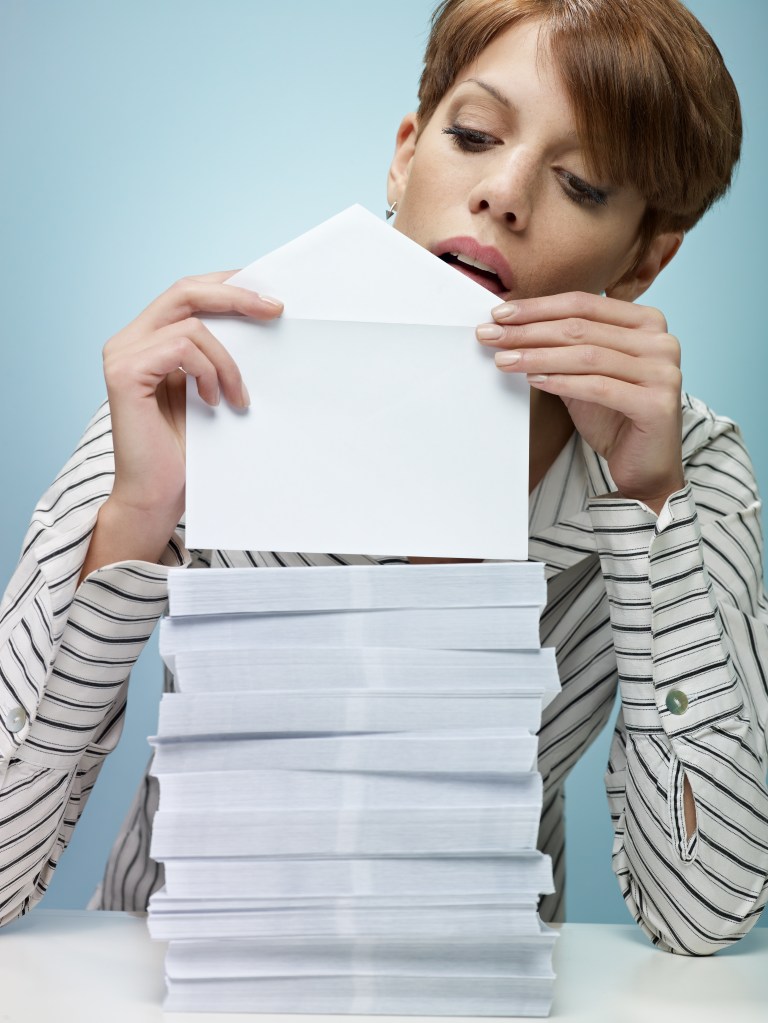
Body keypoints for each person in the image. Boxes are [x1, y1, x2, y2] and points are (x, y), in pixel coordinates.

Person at [1, 0, 766, 956]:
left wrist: (651, 506)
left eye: (581, 183)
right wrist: (134, 518)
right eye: (475, 135)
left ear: (648, 255)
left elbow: (706, 916)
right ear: (406, 153)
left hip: (480, 981)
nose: (504, 194)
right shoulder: (194, 382)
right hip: (181, 976)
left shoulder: (685, 465)